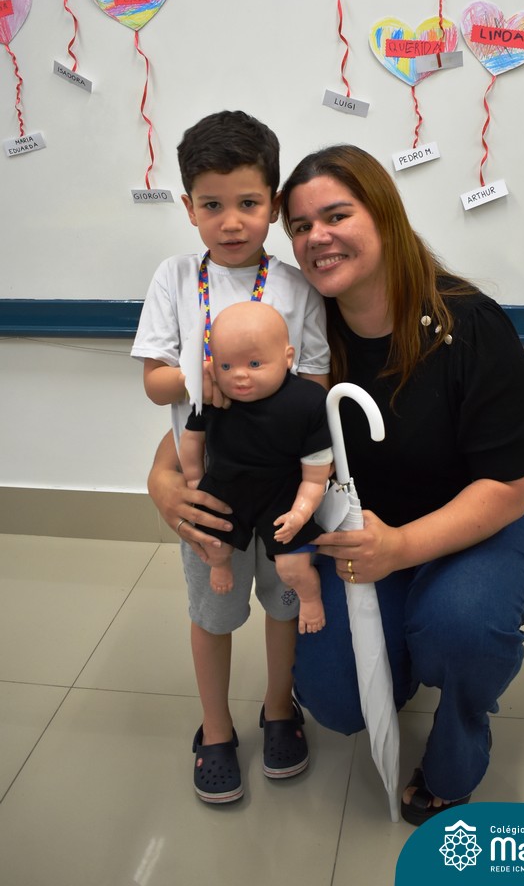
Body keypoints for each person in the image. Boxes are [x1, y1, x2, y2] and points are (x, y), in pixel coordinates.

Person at [148, 143, 524, 826]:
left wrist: (400, 549)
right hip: (361, 538)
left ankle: (456, 745)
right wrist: (162, 477)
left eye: (336, 216)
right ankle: (408, 650)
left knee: (460, 628)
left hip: (484, 525)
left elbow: (506, 490)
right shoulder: (304, 328)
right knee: (336, 699)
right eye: (301, 226)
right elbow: (235, 413)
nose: (317, 237)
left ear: (385, 216)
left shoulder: (469, 326)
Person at [132, 111, 330, 804]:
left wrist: (262, 388)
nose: (232, 221)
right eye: (212, 205)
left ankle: (278, 708)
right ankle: (214, 727)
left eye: (248, 203)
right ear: (189, 208)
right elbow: (155, 379)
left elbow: (314, 383)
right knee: (212, 610)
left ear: (273, 205)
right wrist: (200, 378)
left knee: (283, 601)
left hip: (282, 488)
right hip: (209, 486)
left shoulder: (296, 286)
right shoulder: (176, 277)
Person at [179, 301, 332, 633]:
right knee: (213, 544)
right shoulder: (214, 396)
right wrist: (193, 480)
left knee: (292, 569)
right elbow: (191, 438)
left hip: (283, 496)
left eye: (254, 363)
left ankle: (309, 597)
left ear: (288, 358)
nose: (239, 375)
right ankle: (221, 565)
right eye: (226, 365)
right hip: (225, 489)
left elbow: (317, 472)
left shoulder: (307, 401)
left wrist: (301, 512)